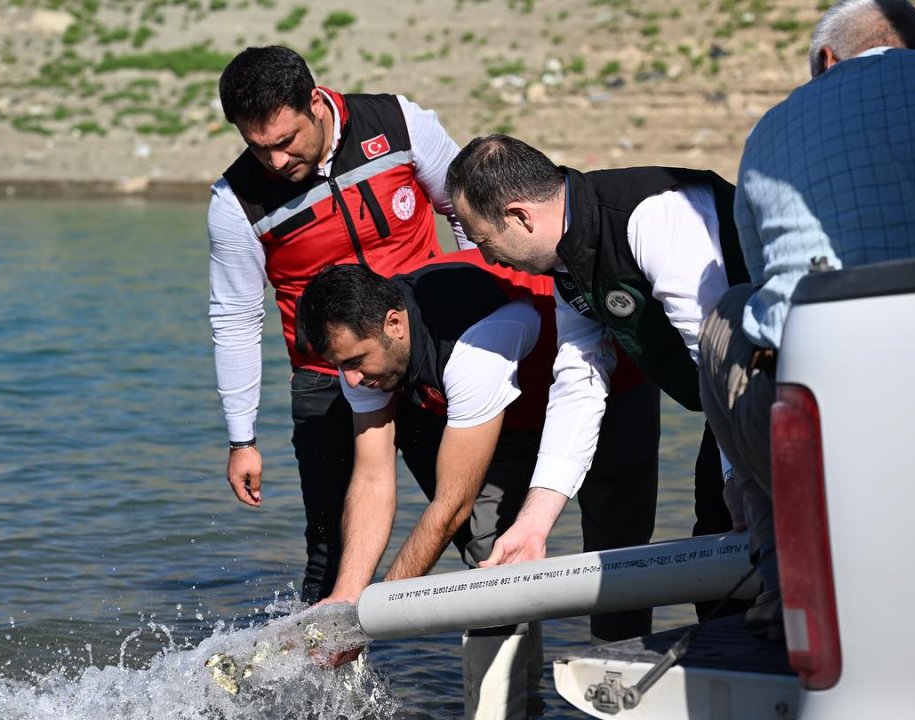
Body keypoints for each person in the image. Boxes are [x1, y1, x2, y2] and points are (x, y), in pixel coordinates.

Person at [698, 0, 915, 631]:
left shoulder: (775, 128)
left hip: (840, 406)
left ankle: (779, 586)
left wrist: (734, 473)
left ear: (827, 59)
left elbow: (764, 286)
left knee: (728, 317)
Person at [207, 45, 467, 605]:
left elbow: (467, 209)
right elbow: (235, 317)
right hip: (327, 378)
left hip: (425, 356)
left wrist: (481, 313)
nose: (275, 162)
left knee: (476, 528)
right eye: (258, 148)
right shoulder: (235, 202)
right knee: (331, 555)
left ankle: (504, 688)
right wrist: (241, 438)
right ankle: (322, 689)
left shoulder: (398, 122)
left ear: (315, 104)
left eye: (285, 142)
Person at [443, 135, 749, 584]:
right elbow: (578, 384)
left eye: (484, 241)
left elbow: (717, 354)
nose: (489, 258)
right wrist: (534, 522)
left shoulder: (651, 217)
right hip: (732, 398)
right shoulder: (569, 257)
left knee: (731, 535)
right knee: (716, 549)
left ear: (520, 216)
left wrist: (742, 476)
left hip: (785, 382)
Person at [297, 251, 557, 720]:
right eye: (343, 366)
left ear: (394, 324)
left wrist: (373, 621)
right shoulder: (359, 352)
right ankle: (514, 706)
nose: (352, 378)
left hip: (592, 386)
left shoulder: (475, 348)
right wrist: (349, 596)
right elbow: (373, 478)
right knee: (491, 554)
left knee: (614, 541)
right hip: (486, 406)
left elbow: (450, 506)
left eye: (357, 361)